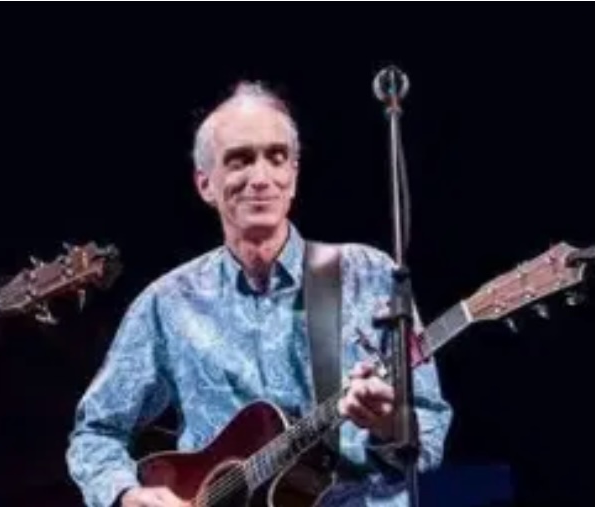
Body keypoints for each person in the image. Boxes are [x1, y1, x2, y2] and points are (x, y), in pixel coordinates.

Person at [65, 81, 453, 507]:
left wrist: (387, 425)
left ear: (294, 175)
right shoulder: (167, 303)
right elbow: (95, 433)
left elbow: (429, 433)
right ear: (205, 184)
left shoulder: (368, 274)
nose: (261, 178)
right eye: (240, 160)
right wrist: (126, 494)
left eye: (277, 157)